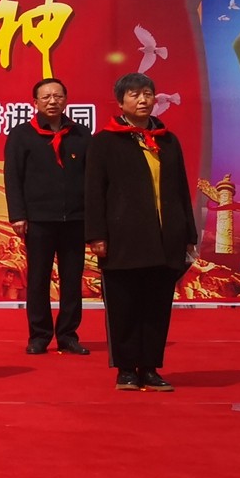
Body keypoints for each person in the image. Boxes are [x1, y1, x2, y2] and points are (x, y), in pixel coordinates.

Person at [85, 72, 197, 392]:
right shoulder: (105, 140)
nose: (143, 100)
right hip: (123, 240)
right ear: (121, 102)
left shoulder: (167, 139)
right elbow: (94, 191)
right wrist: (96, 235)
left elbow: (180, 189)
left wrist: (188, 233)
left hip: (165, 238)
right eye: (134, 95)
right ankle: (126, 369)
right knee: (124, 305)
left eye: (148, 94)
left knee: (157, 306)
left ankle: (149, 368)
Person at [3, 78, 92, 356]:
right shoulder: (21, 135)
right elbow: (13, 178)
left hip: (75, 220)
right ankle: (39, 335)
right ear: (36, 103)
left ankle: (68, 334)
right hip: (38, 219)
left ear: (66, 100)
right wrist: (18, 215)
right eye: (46, 97)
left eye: (57, 96)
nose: (52, 101)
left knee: (71, 278)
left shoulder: (81, 133)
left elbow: (92, 177)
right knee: (39, 278)